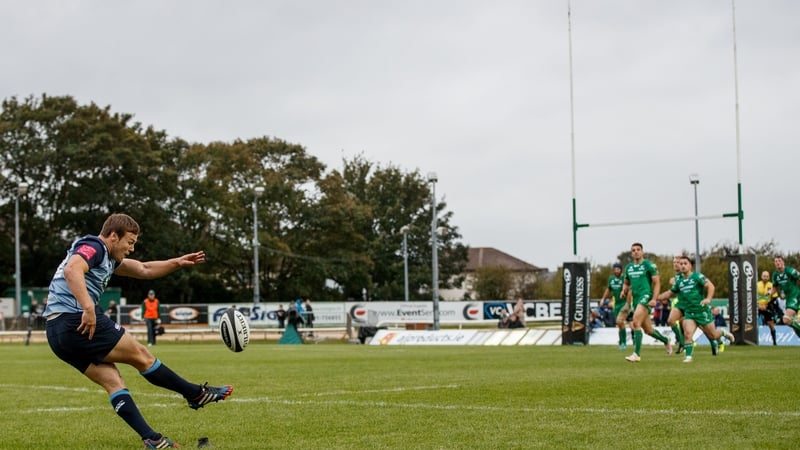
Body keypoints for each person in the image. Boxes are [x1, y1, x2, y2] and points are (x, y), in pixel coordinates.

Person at [43, 213, 232, 448]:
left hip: (56, 333)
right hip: (75, 320)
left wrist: (177, 262)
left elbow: (143, 269)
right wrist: (89, 308)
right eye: (130, 242)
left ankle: (151, 438)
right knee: (141, 355)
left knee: (113, 381)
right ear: (113, 236)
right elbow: (73, 270)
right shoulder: (95, 246)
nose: (131, 249)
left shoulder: (108, 259)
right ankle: (195, 393)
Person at [657, 256, 734, 363]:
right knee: (687, 334)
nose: (682, 266)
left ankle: (723, 333)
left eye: (685, 263)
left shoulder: (697, 276)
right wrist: (656, 297)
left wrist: (708, 299)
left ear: (690, 266)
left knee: (713, 335)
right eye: (681, 264)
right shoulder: (679, 281)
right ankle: (688, 357)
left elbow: (711, 286)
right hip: (689, 312)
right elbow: (670, 293)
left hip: (702, 311)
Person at [621, 242, 672, 362]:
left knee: (635, 322)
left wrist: (654, 299)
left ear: (642, 251)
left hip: (646, 296)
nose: (636, 252)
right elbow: (626, 282)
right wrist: (624, 290)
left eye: (638, 249)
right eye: (633, 250)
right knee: (648, 330)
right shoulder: (629, 267)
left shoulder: (649, 265)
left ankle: (636, 354)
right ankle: (666, 340)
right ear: (631, 253)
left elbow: (657, 282)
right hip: (636, 298)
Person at [600, 263, 628, 350]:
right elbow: (608, 289)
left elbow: (628, 288)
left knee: (620, 322)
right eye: (615, 269)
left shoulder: (624, 278)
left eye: (618, 269)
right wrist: (603, 299)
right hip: (616, 304)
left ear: (621, 270)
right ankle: (621, 341)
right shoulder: (611, 279)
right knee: (619, 324)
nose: (616, 271)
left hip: (624, 303)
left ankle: (624, 343)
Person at [772, 256, 800, 338]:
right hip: (788, 299)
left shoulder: (789, 271)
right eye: (776, 261)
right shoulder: (775, 275)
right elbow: (774, 288)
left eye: (779, 261)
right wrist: (768, 294)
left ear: (783, 262)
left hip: (795, 296)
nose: (778, 263)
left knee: (786, 319)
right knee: (792, 324)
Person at [664, 254, 687, 354]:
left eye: (677, 262)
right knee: (671, 321)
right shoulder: (676, 276)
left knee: (704, 327)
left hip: (691, 303)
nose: (675, 265)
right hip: (681, 303)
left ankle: (717, 340)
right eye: (674, 262)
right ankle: (682, 343)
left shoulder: (685, 274)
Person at [757, 271, 780, 345]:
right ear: (761, 276)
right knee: (753, 323)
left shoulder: (771, 285)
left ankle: (774, 342)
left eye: (767, 276)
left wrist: (766, 305)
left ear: (769, 277)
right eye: (764, 276)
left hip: (767, 306)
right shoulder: (757, 285)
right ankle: (753, 340)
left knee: (771, 324)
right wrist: (758, 305)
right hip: (757, 307)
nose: (765, 278)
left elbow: (774, 297)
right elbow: (752, 296)